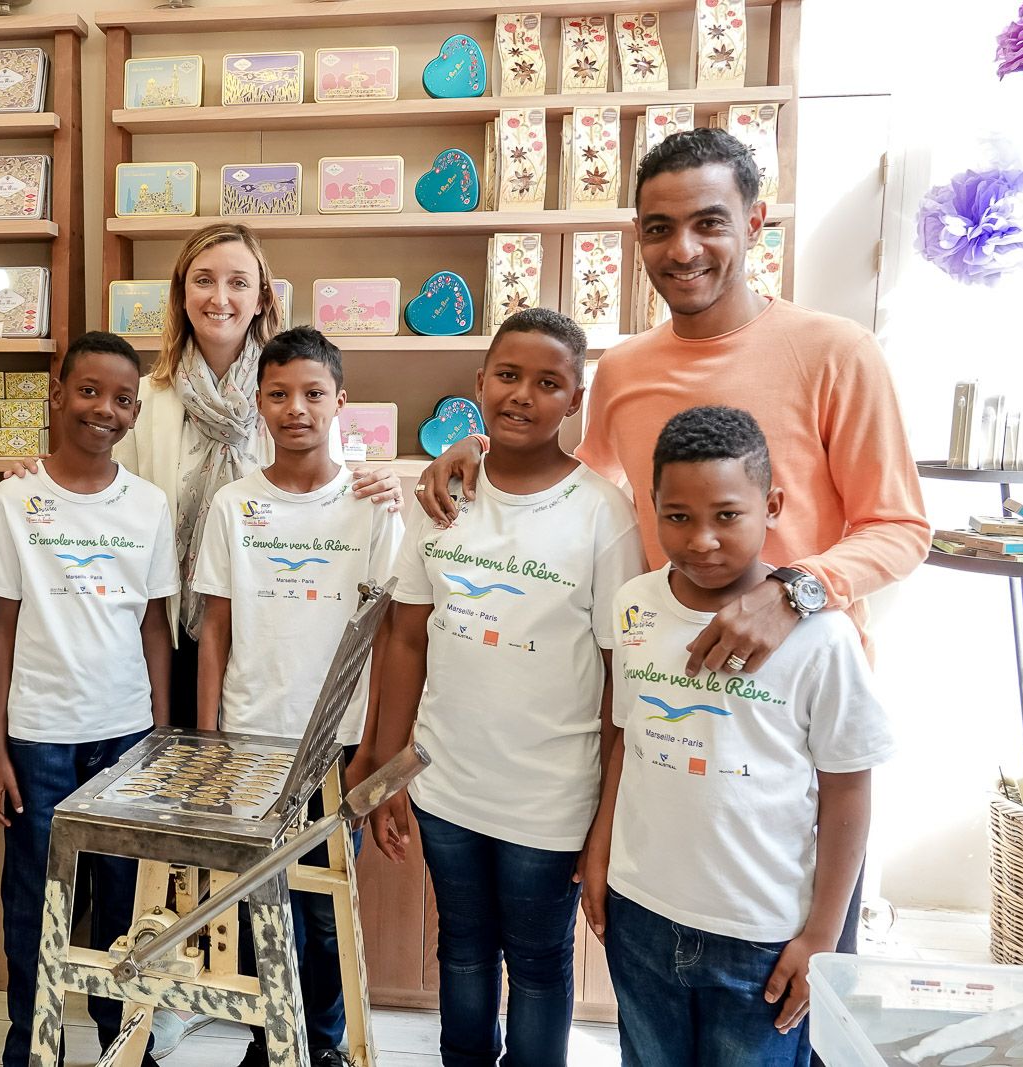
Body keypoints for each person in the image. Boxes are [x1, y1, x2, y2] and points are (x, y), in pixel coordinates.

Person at [414, 128, 928, 976]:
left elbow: (903, 527)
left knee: (786, 991)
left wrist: (792, 591)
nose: (682, 249)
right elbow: (581, 486)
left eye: (709, 222)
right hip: (661, 718)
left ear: (756, 223)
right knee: (655, 980)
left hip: (789, 734)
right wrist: (478, 450)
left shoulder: (838, 353)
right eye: (658, 227)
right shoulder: (623, 369)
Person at [362, 309, 643, 1067]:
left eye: (548, 383)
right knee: (461, 948)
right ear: (479, 383)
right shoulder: (442, 498)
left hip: (550, 798)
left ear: (575, 399)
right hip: (446, 781)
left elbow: (625, 684)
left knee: (540, 961)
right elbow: (406, 638)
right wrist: (387, 770)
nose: (523, 395)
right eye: (509, 376)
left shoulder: (603, 515)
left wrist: (607, 821)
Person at [585, 406, 893, 1066]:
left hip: (763, 938)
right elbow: (626, 740)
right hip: (642, 913)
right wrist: (600, 851)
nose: (701, 539)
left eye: (727, 514)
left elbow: (848, 791)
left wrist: (823, 935)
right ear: (652, 506)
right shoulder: (633, 605)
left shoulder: (822, 637)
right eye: (678, 516)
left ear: (772, 504)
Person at [191, 327, 403, 1067]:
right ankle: (268, 1038)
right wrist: (210, 735)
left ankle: (326, 1043)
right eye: (278, 394)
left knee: (321, 908)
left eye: (314, 393)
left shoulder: (376, 503)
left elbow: (389, 638)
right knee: (257, 901)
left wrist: (373, 746)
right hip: (249, 737)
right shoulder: (233, 504)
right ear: (258, 405)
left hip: (335, 744)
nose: (296, 409)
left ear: (340, 402)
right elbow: (214, 628)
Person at [111, 223, 403, 730]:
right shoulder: (148, 398)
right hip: (170, 628)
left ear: (263, 296)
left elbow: (325, 493)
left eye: (238, 282)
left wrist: (386, 485)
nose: (219, 297)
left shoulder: (291, 386)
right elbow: (114, 496)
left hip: (266, 638)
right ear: (181, 294)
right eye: (203, 280)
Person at [0, 331, 176, 1067]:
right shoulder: (14, 499)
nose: (105, 409)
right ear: (58, 393)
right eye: (89, 390)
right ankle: (33, 1039)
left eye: (123, 398)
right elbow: (1, 626)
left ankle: (125, 1038)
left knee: (124, 904)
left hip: (125, 734)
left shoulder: (148, 504)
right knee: (33, 897)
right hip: (37, 735)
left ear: (134, 413)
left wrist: (157, 739)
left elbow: (155, 624)